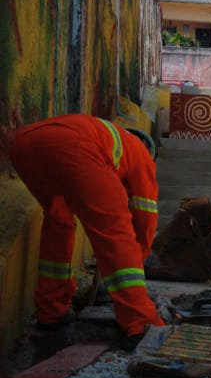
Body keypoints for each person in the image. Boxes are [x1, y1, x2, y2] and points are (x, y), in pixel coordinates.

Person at [10, 114, 165, 352]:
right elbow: (144, 215)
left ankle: (51, 313)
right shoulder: (143, 157)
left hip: (24, 145)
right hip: (75, 149)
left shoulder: (108, 137)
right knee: (115, 230)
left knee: (58, 222)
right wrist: (138, 259)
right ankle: (139, 323)